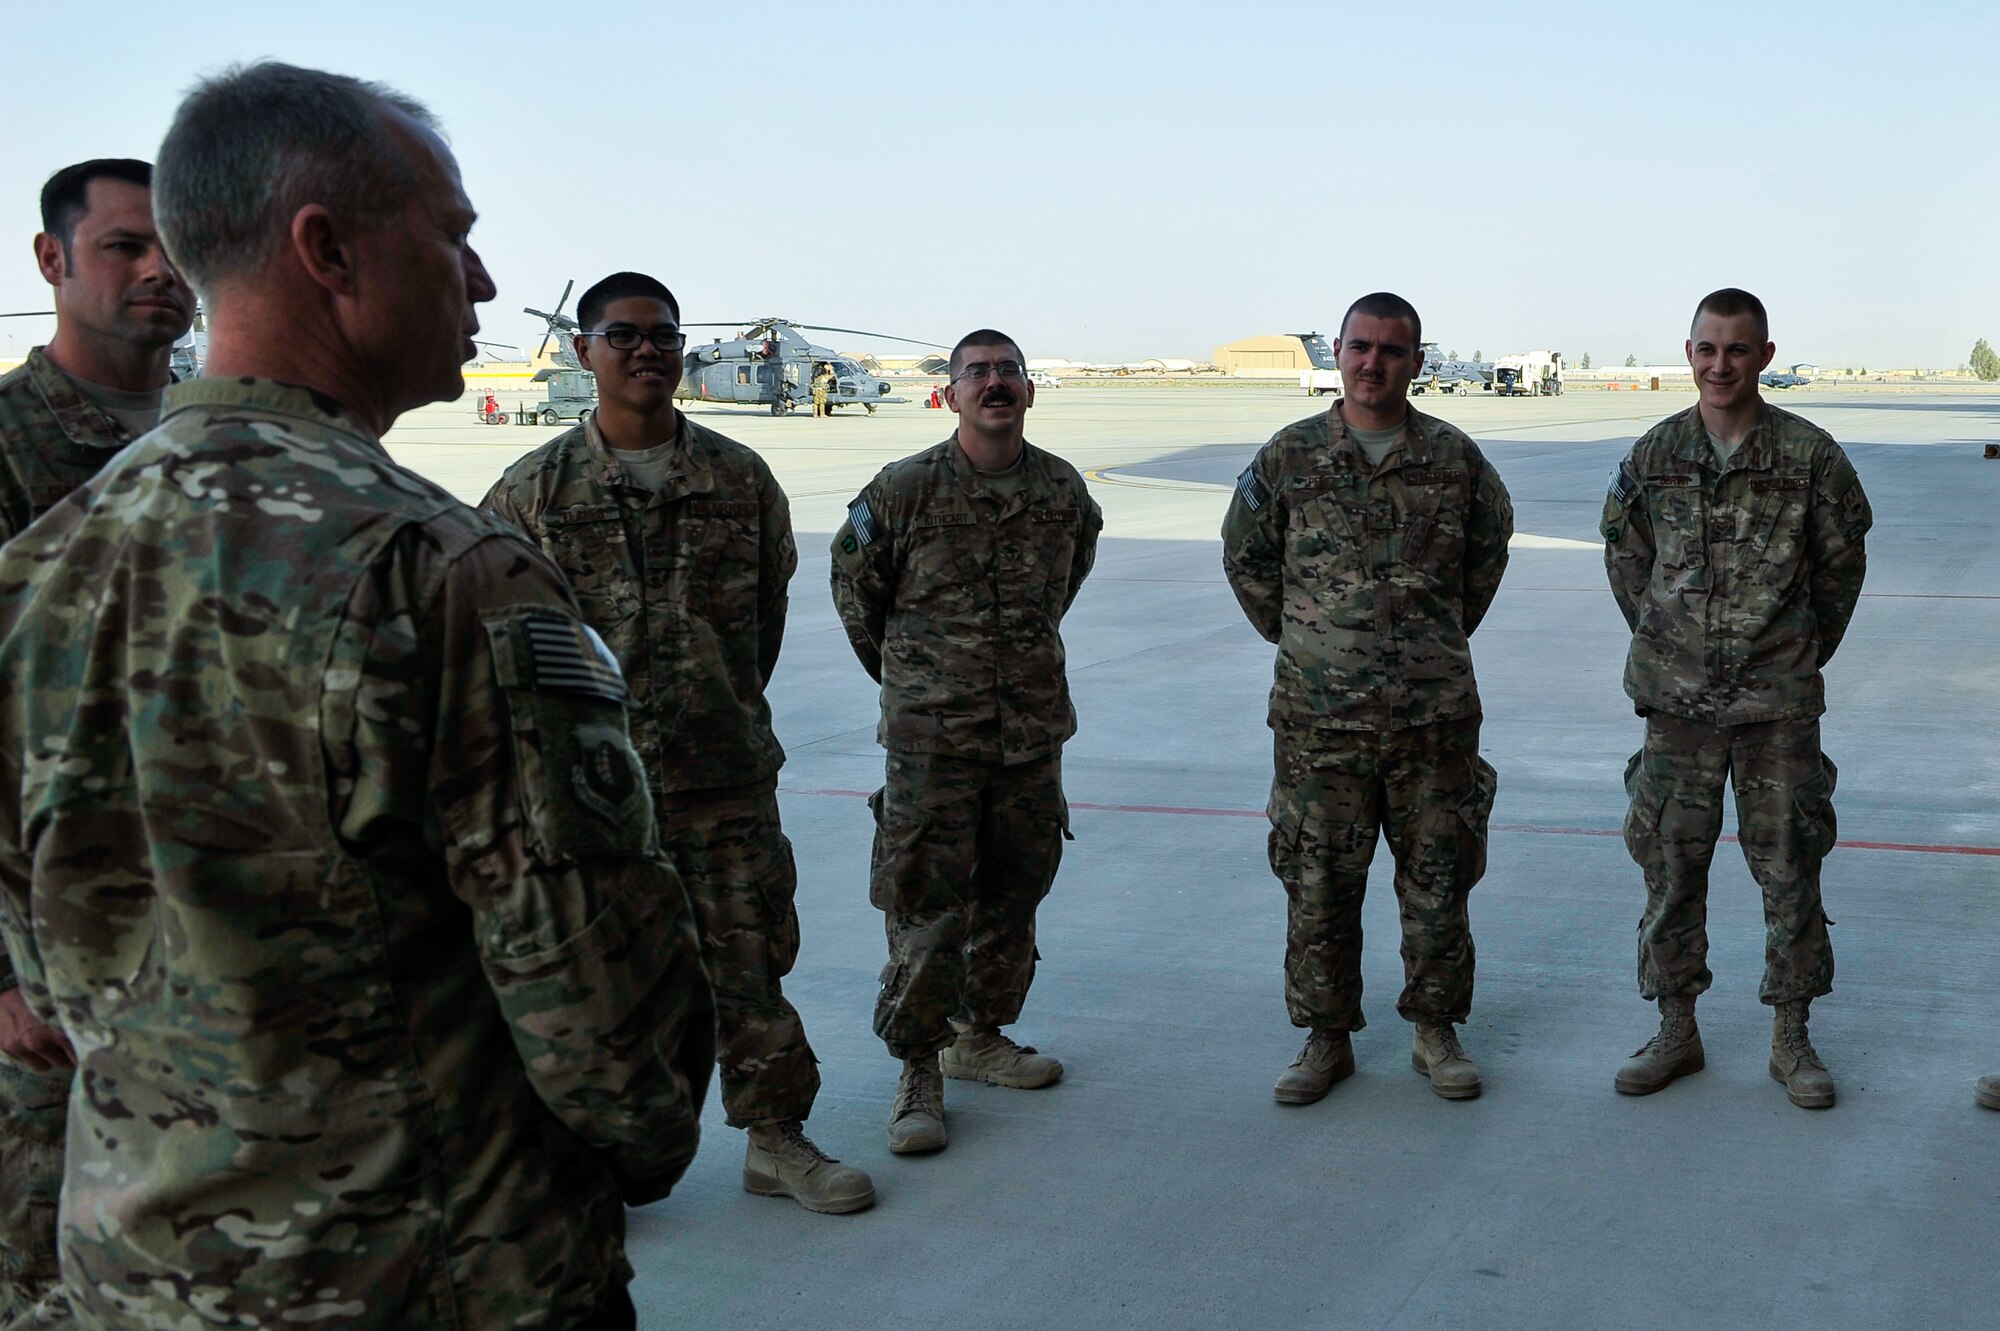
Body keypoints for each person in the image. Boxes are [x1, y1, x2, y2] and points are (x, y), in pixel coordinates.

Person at [0, 63, 714, 1329]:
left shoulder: (43, 567)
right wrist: (639, 1143)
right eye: (453, 236)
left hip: (140, 1276)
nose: (482, 282)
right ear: (325, 250)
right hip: (431, 1275)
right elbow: (603, 1016)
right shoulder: (440, 569)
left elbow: (40, 942)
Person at [482, 272, 874, 1216]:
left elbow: (762, 625)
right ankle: (588, 1166)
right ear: (585, 352)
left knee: (749, 967)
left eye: (663, 334)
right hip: (587, 794)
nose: (647, 350)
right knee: (587, 984)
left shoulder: (740, 480)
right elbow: (501, 647)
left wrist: (715, 707)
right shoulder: (531, 493)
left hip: (720, 775)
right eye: (623, 335)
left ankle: (776, 1140)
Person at [1221, 292, 1512, 1105]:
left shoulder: (1455, 460)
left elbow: (1486, 555)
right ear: (1339, 352)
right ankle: (1325, 1037)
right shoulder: (1289, 456)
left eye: (1392, 349)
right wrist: (1309, 641)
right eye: (1360, 346)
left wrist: (1433, 639)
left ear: (1417, 361)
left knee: (1438, 879)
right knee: (1318, 882)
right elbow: (1245, 555)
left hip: (1433, 720)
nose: (1372, 363)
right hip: (1320, 722)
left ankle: (1435, 1029)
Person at [0, 155, 194, 1320]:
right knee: (49, 1281)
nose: (159, 270)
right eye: (126, 245)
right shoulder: (11, 446)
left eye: (177, 247)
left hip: (225, 949)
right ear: (54, 260)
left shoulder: (229, 440)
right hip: (46, 975)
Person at [830, 328, 1101, 1154]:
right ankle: (919, 1067)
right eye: (976, 372)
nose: (994, 383)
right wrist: (915, 677)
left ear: (1028, 389)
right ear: (949, 394)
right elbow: (855, 589)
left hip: (1028, 735)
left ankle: (978, 1034)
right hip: (931, 741)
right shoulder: (905, 489)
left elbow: (1069, 577)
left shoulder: (1061, 490)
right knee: (925, 905)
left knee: (1016, 892)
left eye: (1008, 371)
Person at [1603, 288, 1869, 1110]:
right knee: (1670, 865)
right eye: (1707, 349)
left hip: (1776, 706)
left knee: (1790, 865)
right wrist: (1669, 641)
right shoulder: (1654, 455)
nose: (1722, 365)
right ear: (1689, 353)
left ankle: (1791, 1039)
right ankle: (1676, 1028)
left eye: (1738, 349)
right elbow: (1626, 558)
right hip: (1676, 708)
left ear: (1765, 354)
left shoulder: (1810, 457)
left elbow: (1840, 570)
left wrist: (1790, 652)